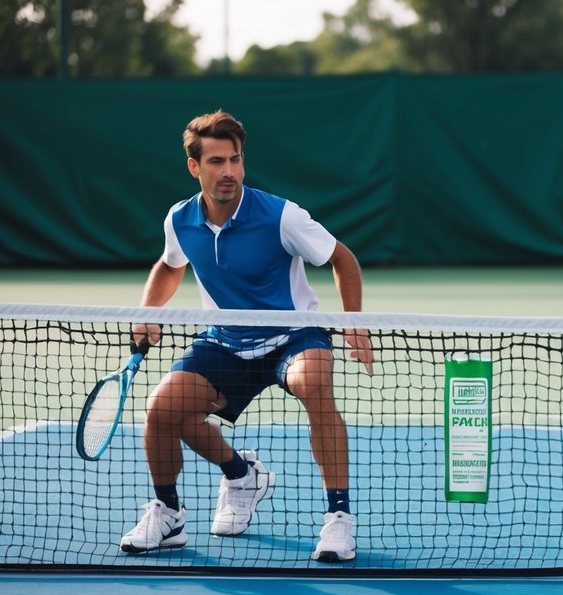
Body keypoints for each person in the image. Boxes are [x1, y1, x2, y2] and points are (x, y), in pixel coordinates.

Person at [119, 110, 374, 562]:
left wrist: (353, 320)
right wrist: (147, 312)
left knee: (314, 384)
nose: (229, 172)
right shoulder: (180, 220)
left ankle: (339, 519)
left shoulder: (281, 216)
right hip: (227, 340)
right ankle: (196, 501)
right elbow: (170, 263)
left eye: (235, 160)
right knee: (162, 410)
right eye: (216, 161)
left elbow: (342, 258)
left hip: (293, 335)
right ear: (194, 167)